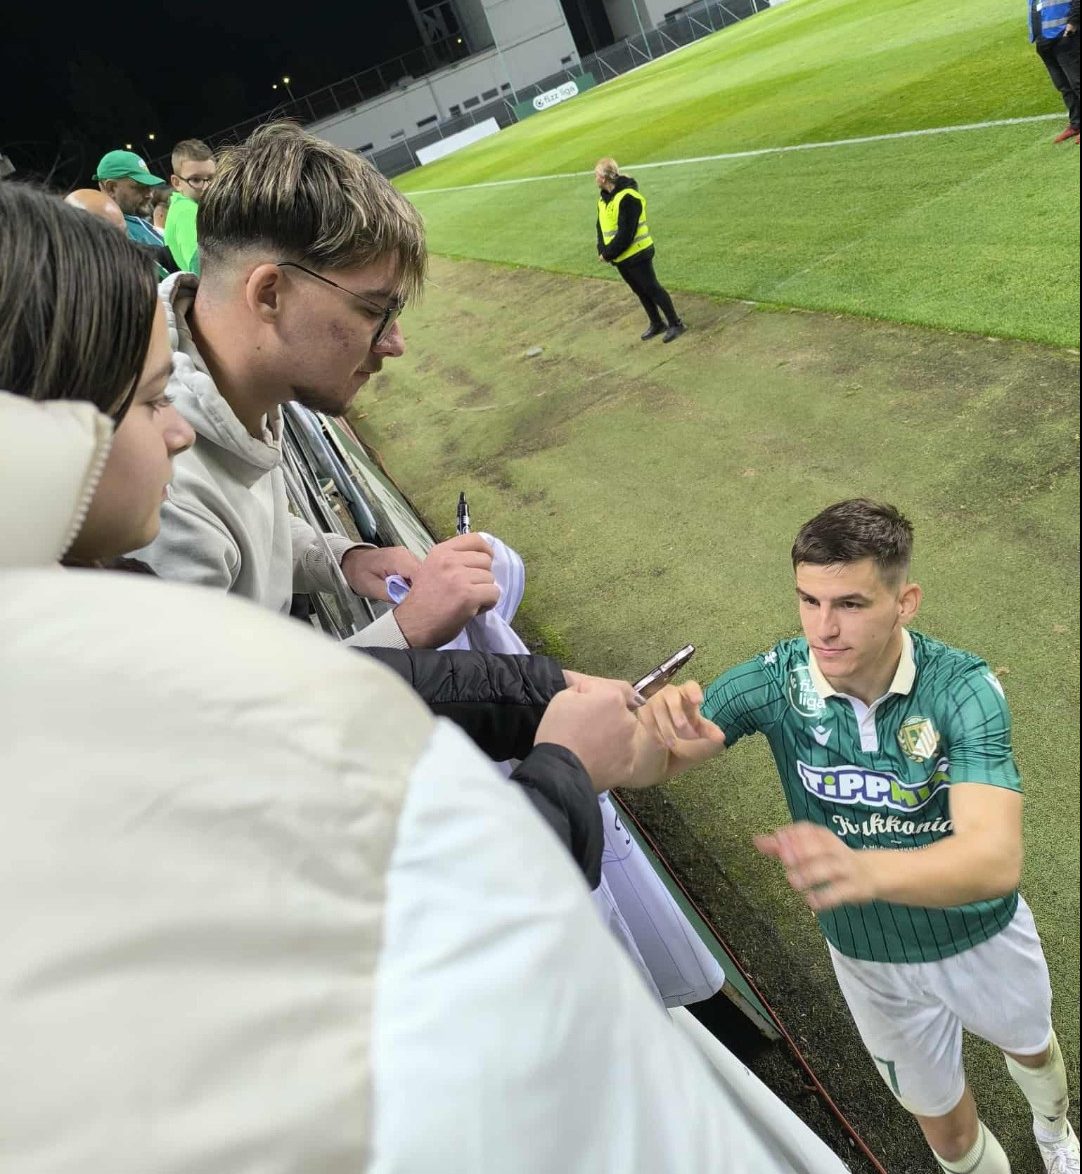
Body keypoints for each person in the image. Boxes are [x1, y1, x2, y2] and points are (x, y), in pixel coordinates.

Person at [2, 184, 853, 1174]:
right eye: (151, 402)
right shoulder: (95, 686)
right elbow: (418, 956)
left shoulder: (80, 611)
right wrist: (561, 774)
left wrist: (526, 685)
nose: (179, 426)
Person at [642, 499, 1078, 1174]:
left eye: (849, 604)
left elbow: (994, 860)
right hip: (867, 956)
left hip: (981, 936)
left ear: (905, 602)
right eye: (809, 601)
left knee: (1030, 1048)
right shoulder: (777, 679)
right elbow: (659, 763)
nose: (824, 628)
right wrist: (649, 728)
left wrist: (866, 870)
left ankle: (1053, 1132)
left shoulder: (962, 688)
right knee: (948, 1138)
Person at [138, 122, 504, 652]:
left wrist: (343, 559)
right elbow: (234, 704)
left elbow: (251, 530)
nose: (394, 344)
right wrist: (410, 628)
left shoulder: (225, 382)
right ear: (269, 294)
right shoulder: (159, 497)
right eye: (374, 311)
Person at [595, 156, 685, 344]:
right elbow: (600, 227)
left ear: (603, 178)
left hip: (638, 253)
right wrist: (602, 249)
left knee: (652, 288)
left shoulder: (628, 198)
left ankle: (675, 323)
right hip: (621, 257)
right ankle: (656, 323)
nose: (595, 179)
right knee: (639, 290)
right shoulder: (603, 200)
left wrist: (607, 253)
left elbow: (626, 233)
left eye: (596, 175)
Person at [1030, 0, 1080, 144]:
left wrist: (1073, 23)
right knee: (1063, 85)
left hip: (1064, 36)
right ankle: (1076, 123)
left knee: (1077, 81)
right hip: (1044, 39)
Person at [165, 137, 215, 272]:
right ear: (177, 183)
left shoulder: (181, 206)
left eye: (211, 178)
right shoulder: (186, 211)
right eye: (196, 180)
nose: (206, 187)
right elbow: (199, 265)